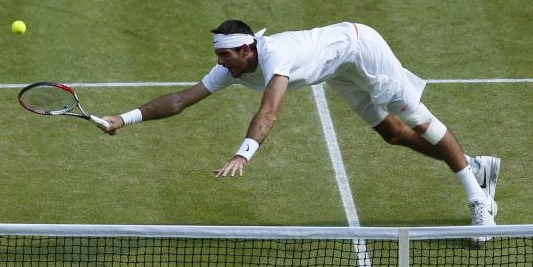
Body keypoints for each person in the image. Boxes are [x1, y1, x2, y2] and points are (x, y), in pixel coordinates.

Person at [97, 20, 500, 234]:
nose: (220, 63)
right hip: (339, 71)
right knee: (392, 134)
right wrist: (123, 118)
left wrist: (243, 153)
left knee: (418, 119)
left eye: (225, 56)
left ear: (246, 49)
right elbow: (182, 100)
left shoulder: (277, 57)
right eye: (218, 57)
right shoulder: (233, 67)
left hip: (362, 50)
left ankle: (479, 199)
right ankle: (475, 165)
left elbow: (269, 113)